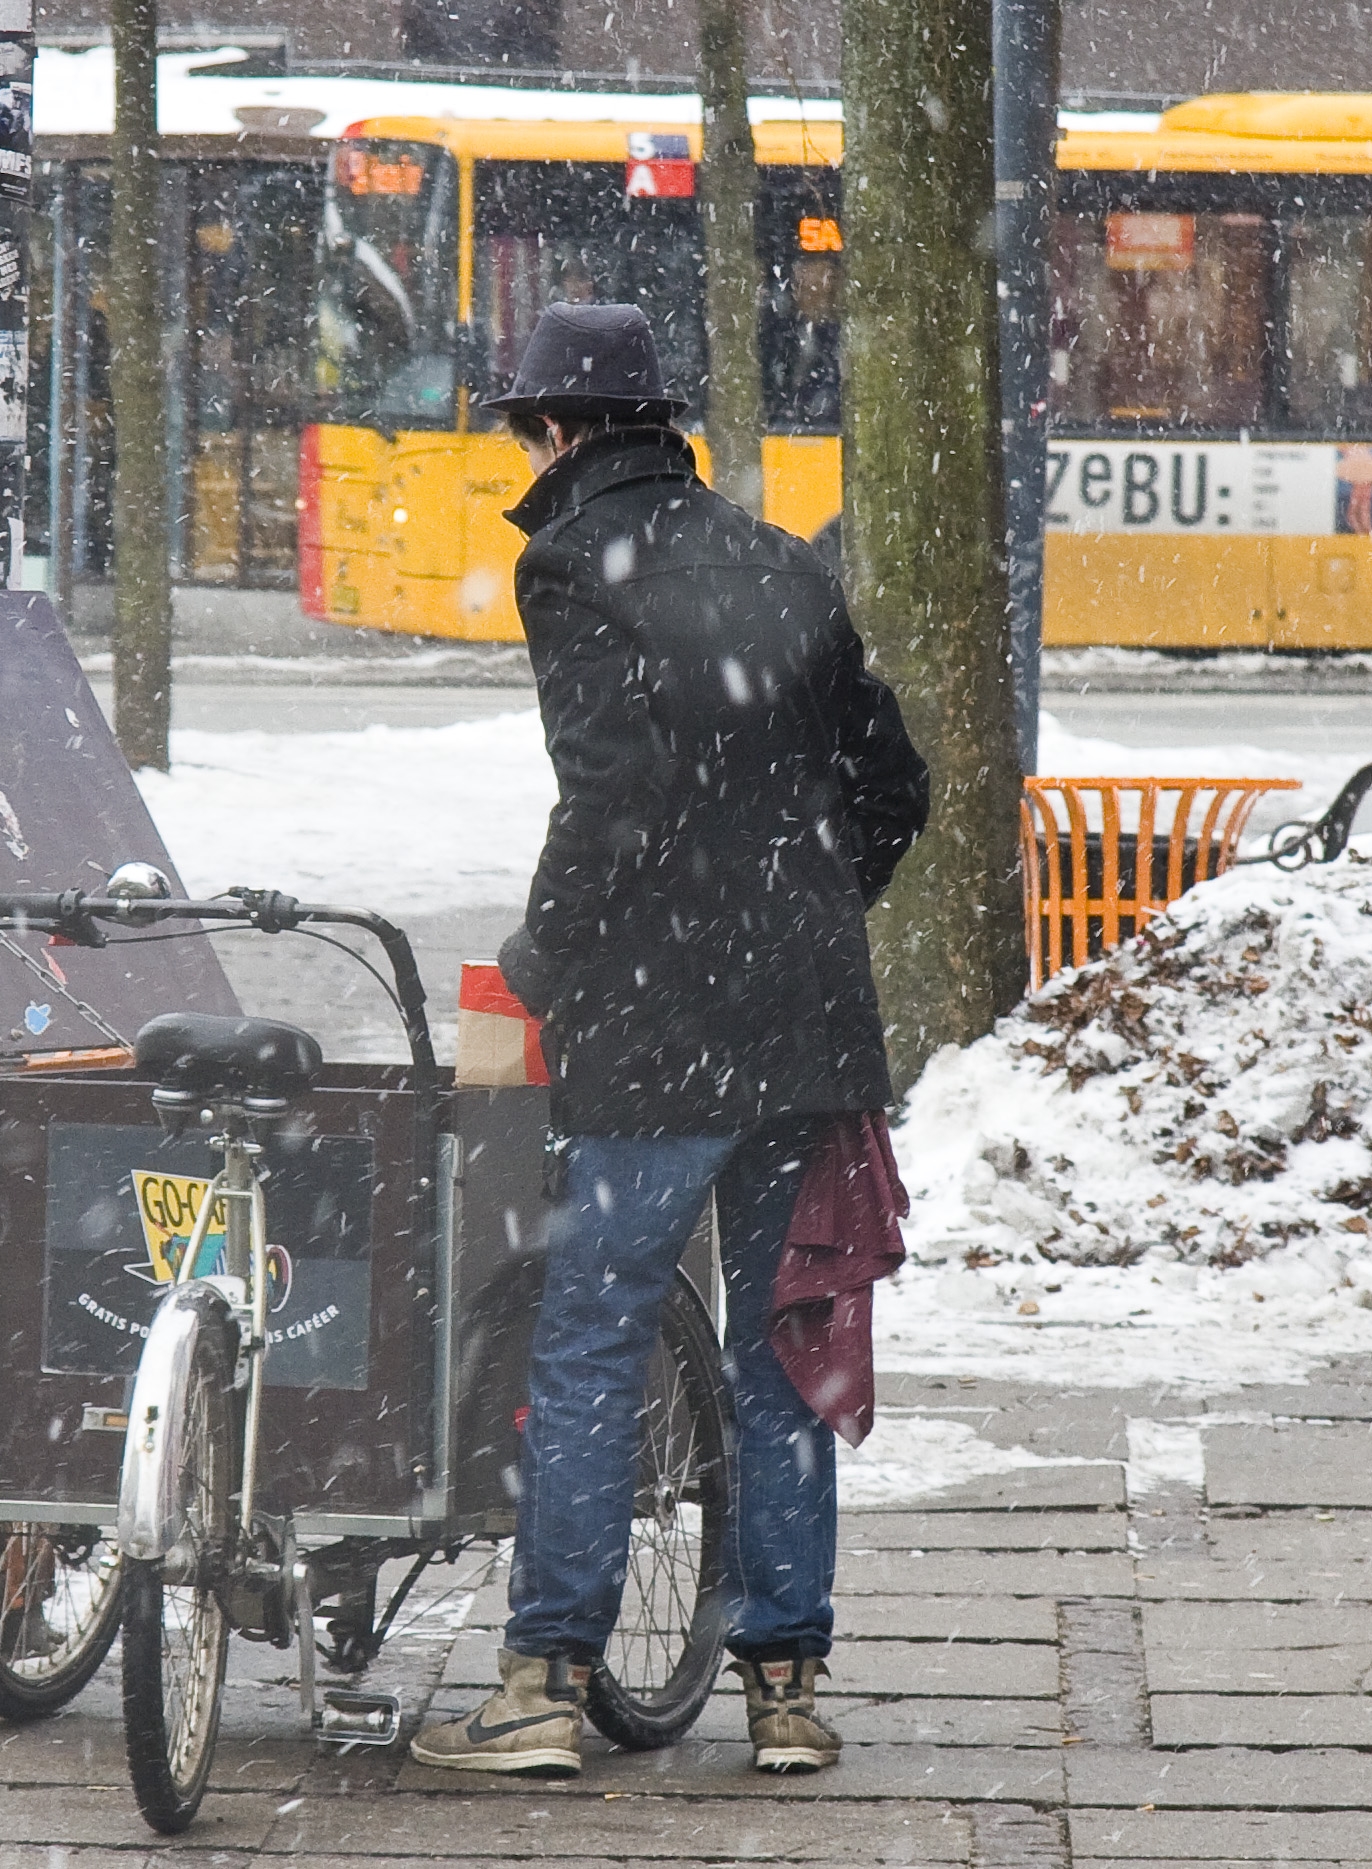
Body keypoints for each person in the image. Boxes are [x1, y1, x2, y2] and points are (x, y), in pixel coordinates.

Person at [410, 302, 930, 1780]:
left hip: (662, 1026)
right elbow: (893, 782)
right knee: (777, 1354)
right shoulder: (780, 557)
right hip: (806, 1027)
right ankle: (785, 1689)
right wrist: (814, 903)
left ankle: (545, 1681)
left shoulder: (573, 562)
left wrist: (548, 959)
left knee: (594, 1338)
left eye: (529, 431)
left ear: (560, 432)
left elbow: (612, 792)